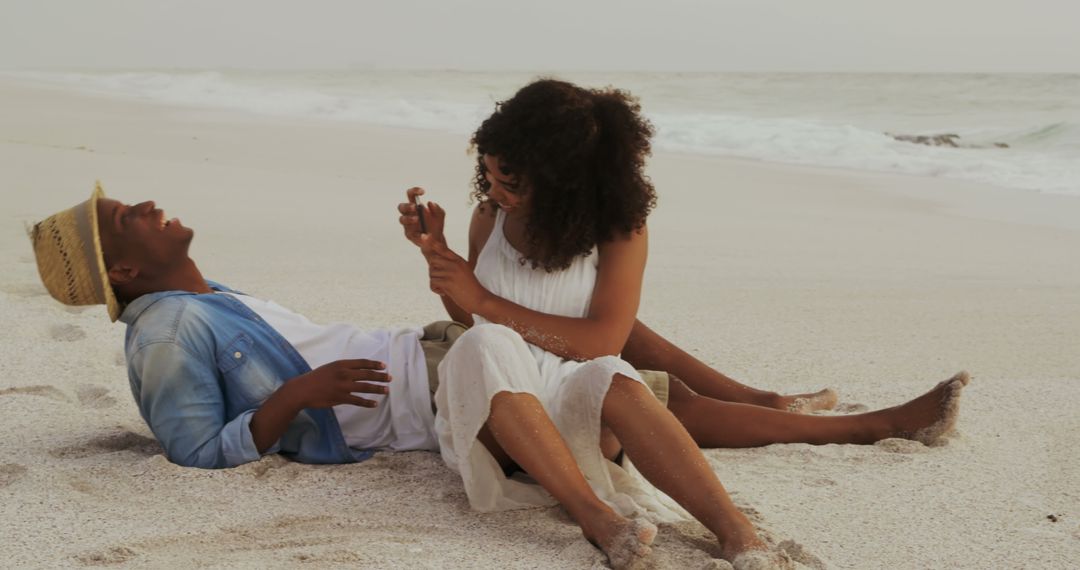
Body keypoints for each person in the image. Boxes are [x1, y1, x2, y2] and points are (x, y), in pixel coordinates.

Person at [397, 79, 969, 568]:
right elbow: (473, 314)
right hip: (500, 423)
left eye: (512, 182)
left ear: (564, 177)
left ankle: (736, 530)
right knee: (486, 342)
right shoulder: (489, 216)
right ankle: (594, 517)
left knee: (611, 373)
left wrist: (483, 302)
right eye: (491, 176)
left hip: (577, 410)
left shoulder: (618, 229)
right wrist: (439, 256)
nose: (496, 191)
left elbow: (602, 341)